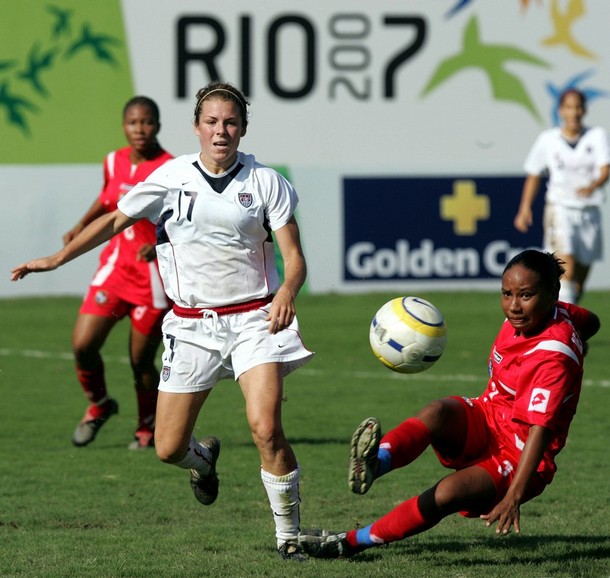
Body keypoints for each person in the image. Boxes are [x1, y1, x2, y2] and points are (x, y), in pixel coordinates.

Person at [11, 81, 314, 561]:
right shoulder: (170, 177)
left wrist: (287, 291)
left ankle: (290, 537)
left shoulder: (266, 181)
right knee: (168, 448)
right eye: (212, 122)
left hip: (255, 319)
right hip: (192, 325)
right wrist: (57, 258)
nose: (221, 131)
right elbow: (113, 221)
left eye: (231, 123)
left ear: (243, 129)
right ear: (196, 127)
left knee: (265, 428)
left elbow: (294, 257)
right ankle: (203, 461)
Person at [297, 250, 600, 559]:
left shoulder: (554, 357)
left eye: (525, 296)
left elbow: (540, 431)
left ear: (551, 294)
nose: (513, 306)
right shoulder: (558, 311)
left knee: (447, 494)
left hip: (519, 453)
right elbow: (592, 321)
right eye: (506, 294)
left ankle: (349, 542)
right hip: (489, 415)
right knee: (439, 412)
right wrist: (581, 337)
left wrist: (514, 496)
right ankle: (377, 462)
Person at [65, 96, 173, 450]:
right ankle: (99, 405)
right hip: (115, 268)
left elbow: (184, 219)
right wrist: (82, 222)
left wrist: (158, 245)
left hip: (152, 279)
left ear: (157, 125)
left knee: (140, 360)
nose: (140, 129)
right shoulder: (113, 161)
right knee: (83, 345)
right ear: (124, 125)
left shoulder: (170, 168)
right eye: (133, 123)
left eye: (147, 122)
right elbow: (108, 197)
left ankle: (147, 427)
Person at [514, 88, 610, 304]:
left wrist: (593, 185)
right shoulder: (548, 140)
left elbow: (605, 168)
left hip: (589, 210)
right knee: (565, 266)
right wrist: (525, 208)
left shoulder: (597, 136)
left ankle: (570, 314)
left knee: (580, 276)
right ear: (560, 111)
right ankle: (564, 328)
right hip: (560, 208)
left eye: (577, 107)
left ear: (584, 110)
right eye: (569, 107)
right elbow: (534, 173)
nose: (573, 112)